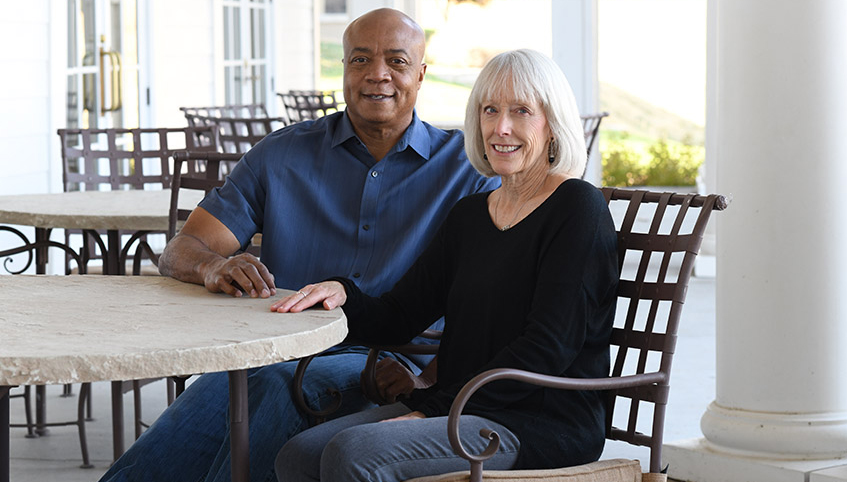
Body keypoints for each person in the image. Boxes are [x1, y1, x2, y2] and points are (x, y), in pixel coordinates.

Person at [99, 8, 499, 482]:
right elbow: (180, 249)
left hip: (382, 361)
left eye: (397, 61)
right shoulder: (282, 154)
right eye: (360, 60)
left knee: (273, 389)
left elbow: (488, 305)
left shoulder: (468, 171)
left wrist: (428, 382)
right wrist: (212, 267)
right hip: (266, 350)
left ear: (421, 73)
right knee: (170, 442)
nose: (377, 75)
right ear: (343, 69)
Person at [272, 48, 620, 482]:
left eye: (521, 111)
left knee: (355, 453)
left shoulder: (576, 208)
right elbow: (401, 315)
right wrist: (344, 294)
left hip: (536, 422)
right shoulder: (471, 215)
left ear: (552, 124)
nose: (501, 128)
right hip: (460, 407)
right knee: (298, 455)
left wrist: (430, 409)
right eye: (489, 110)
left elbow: (546, 350)